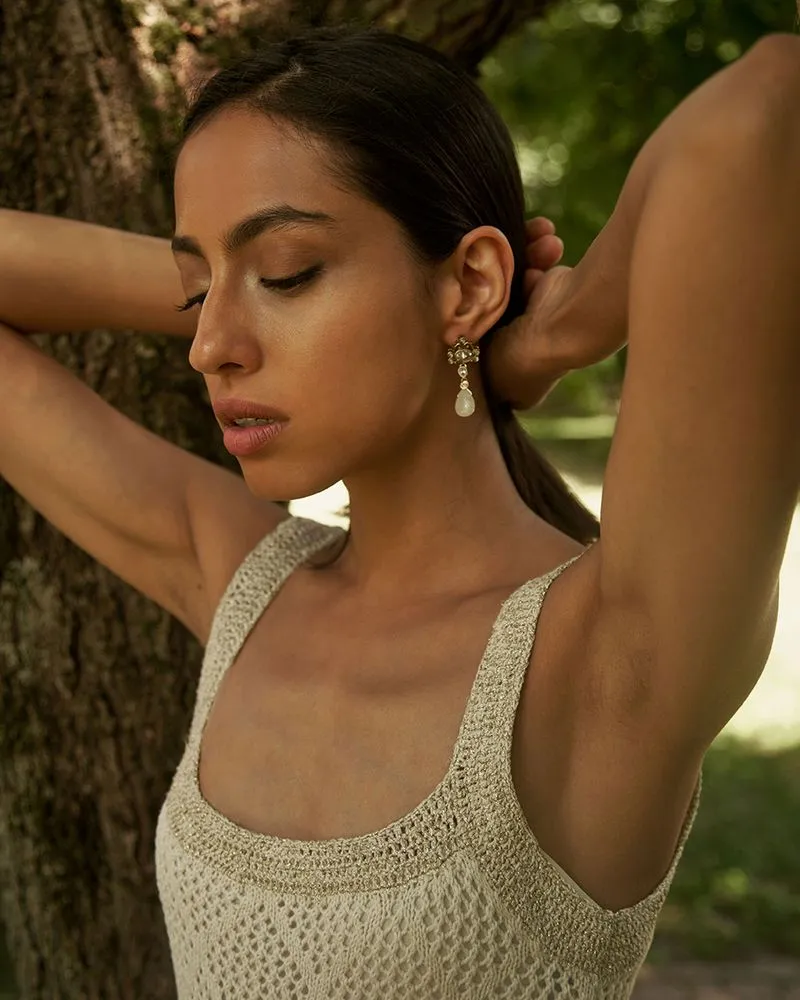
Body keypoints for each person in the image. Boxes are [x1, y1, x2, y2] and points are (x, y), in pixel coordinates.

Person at [1, 22, 798, 1000]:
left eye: (287, 271)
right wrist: (444, 330)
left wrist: (567, 319)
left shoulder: (605, 660)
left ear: (470, 278)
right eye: (197, 288)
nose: (209, 344)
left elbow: (769, 109)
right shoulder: (241, 585)